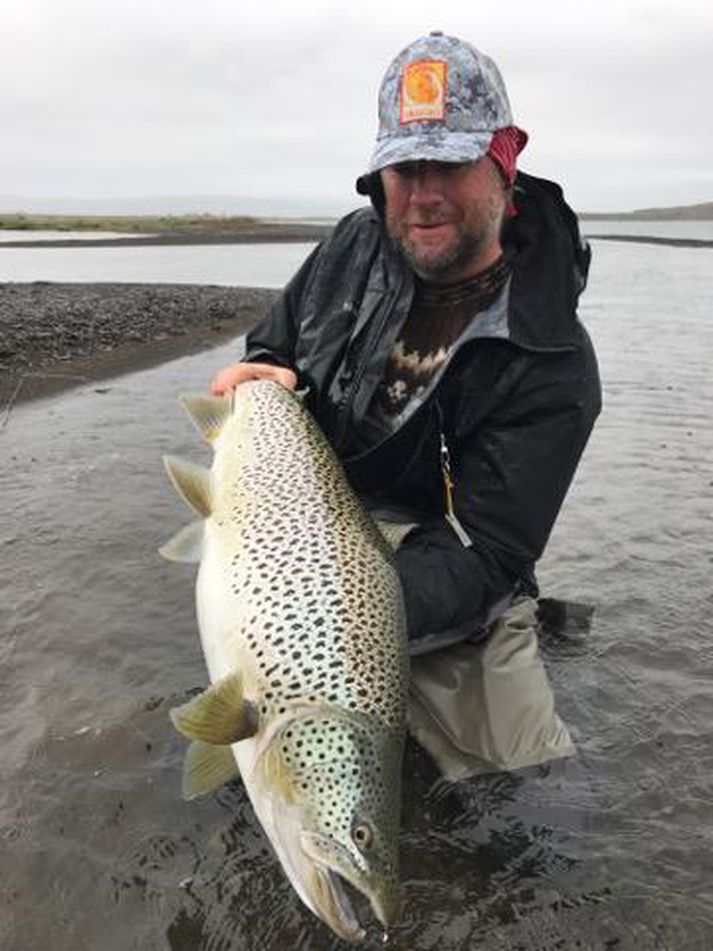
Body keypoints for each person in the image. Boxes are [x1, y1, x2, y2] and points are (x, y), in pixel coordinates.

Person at [211, 32, 601, 779]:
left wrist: (342, 619)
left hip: (438, 560)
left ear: (504, 159)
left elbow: (489, 548)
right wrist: (262, 373)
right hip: (308, 526)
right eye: (403, 166)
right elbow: (276, 344)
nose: (422, 194)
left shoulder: (554, 366)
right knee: (250, 751)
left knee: (518, 778)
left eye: (449, 165)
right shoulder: (352, 244)